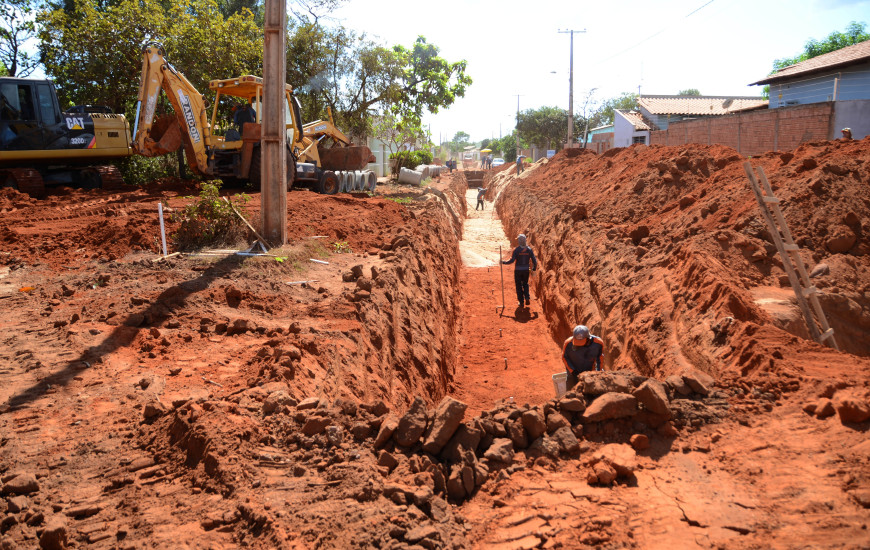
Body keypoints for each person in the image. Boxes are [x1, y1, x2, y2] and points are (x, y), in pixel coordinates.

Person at [562, 325, 604, 391]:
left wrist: (597, 373)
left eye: (581, 343)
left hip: (590, 372)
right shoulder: (568, 343)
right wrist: (572, 371)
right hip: (573, 372)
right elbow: (565, 357)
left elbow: (600, 359)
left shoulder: (598, 343)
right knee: (570, 393)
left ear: (588, 338)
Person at [502, 233, 537, 308]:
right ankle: (527, 297)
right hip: (526, 270)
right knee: (525, 283)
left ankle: (521, 302)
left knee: (518, 286)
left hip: (518, 270)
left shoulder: (516, 250)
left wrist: (504, 262)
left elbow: (512, 260)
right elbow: (534, 260)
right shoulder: (529, 249)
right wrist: (534, 268)